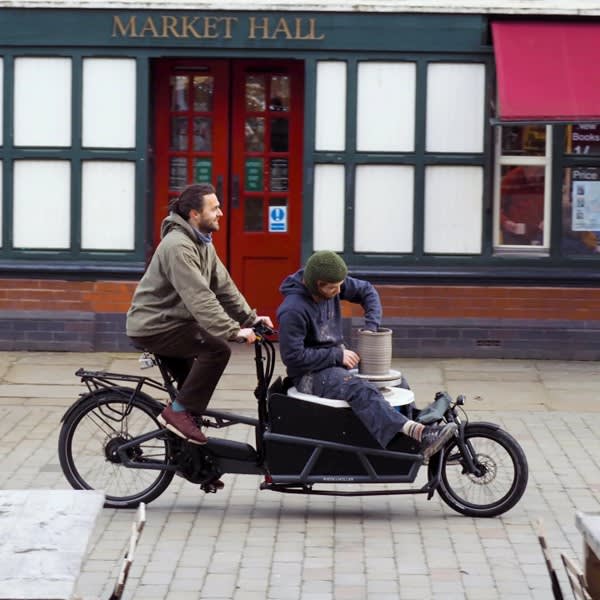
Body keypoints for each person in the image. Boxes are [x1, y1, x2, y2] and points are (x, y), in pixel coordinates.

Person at [126, 183, 273, 446]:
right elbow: (199, 297)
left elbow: (224, 288)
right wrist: (231, 331)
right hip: (155, 326)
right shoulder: (178, 247)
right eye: (214, 208)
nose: (221, 214)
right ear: (195, 214)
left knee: (193, 395)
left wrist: (251, 319)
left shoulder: (202, 243)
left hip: (174, 323)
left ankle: (194, 461)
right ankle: (177, 413)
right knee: (217, 350)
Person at [276, 251, 457, 459]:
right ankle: (419, 434)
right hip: (308, 375)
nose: (338, 291)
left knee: (395, 381)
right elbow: (292, 357)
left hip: (335, 365)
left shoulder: (332, 283)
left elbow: (367, 291)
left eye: (340, 285)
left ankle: (413, 433)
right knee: (359, 388)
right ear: (319, 284)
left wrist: (371, 328)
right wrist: (336, 356)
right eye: (333, 287)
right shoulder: (293, 310)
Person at [500, 165, 544, 245]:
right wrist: (504, 222)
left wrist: (549, 220)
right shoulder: (511, 179)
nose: (537, 177)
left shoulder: (545, 177)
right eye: (535, 173)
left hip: (540, 233)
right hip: (514, 235)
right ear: (525, 168)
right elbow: (494, 206)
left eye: (540, 173)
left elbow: (556, 205)